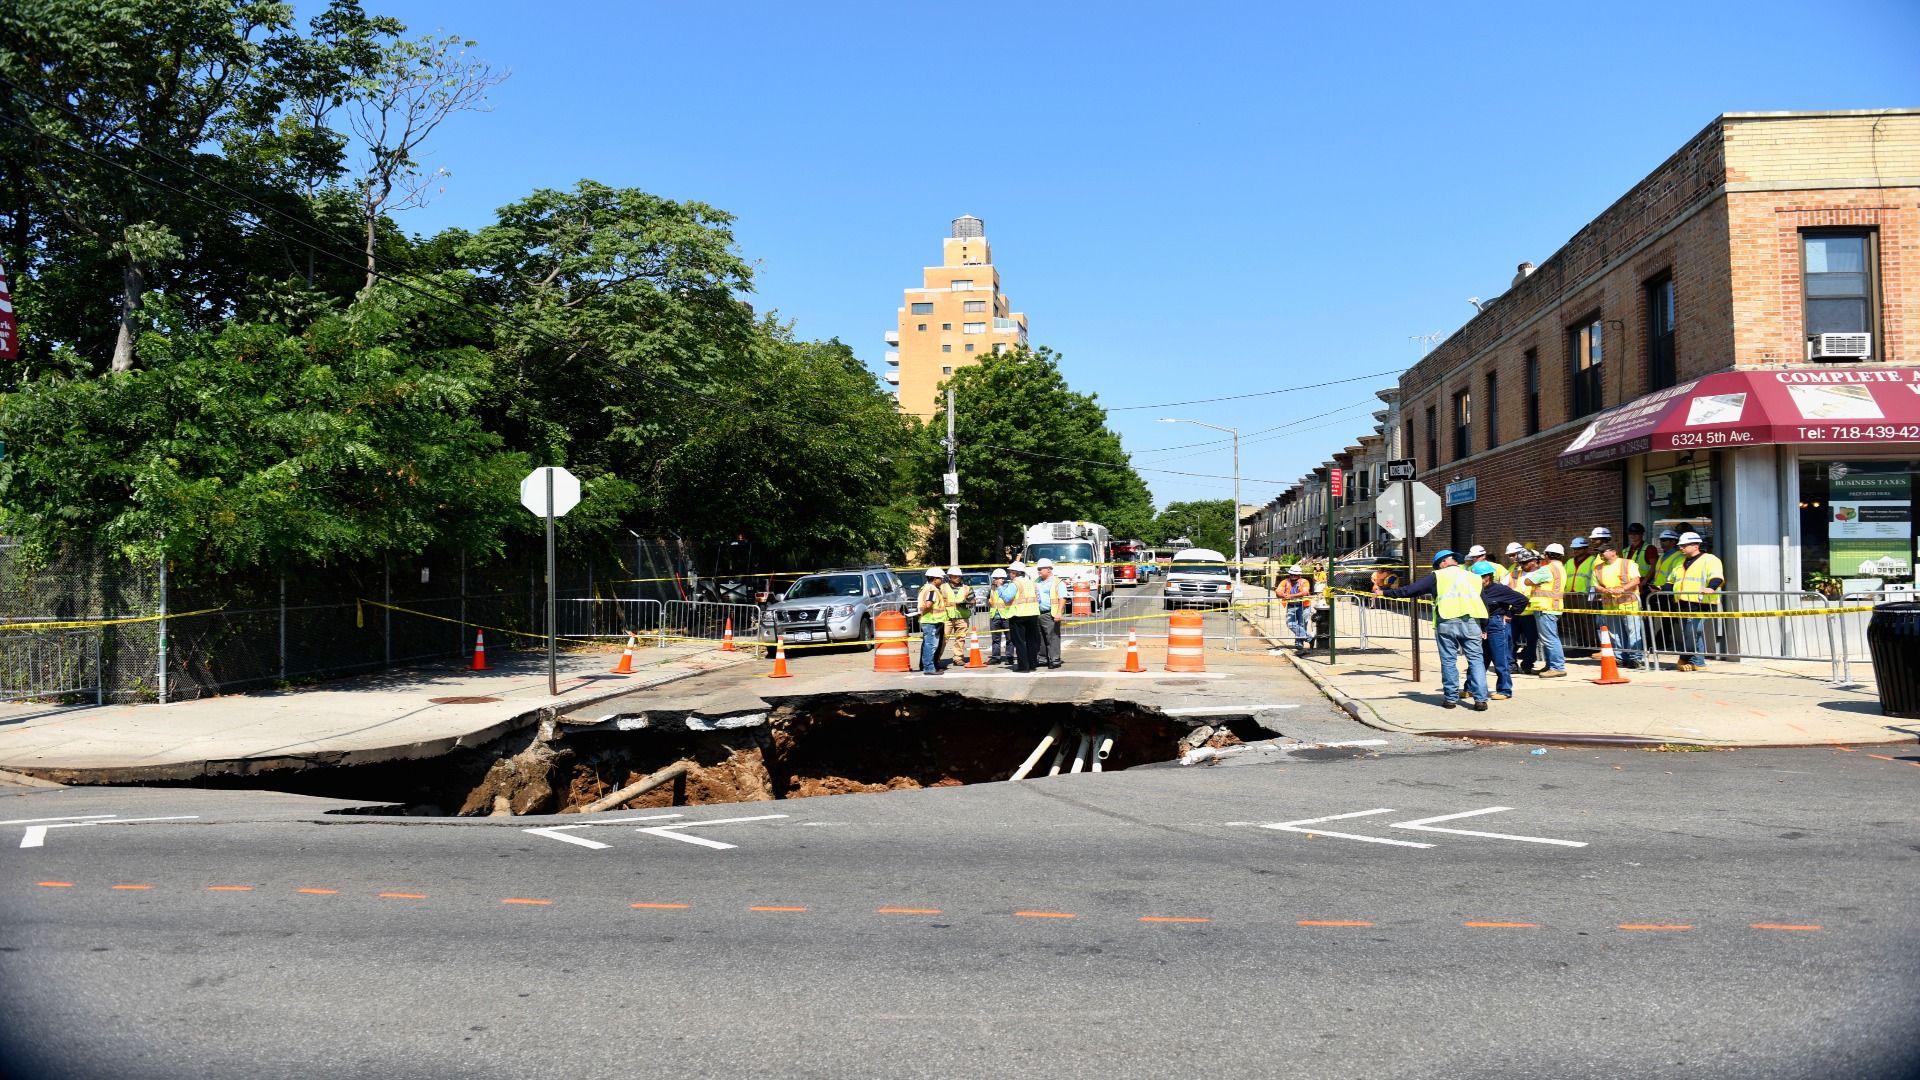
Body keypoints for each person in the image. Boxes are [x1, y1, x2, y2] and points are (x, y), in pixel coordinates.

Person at [1376, 549, 1489, 711]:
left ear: (1443, 562)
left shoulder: (1437, 576)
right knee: (1476, 661)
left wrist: (1384, 592)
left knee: (1449, 660)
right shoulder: (1474, 578)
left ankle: (1450, 699)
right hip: (1472, 622)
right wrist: (1484, 626)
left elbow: (1410, 590)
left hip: (1447, 621)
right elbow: (1484, 602)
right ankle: (1480, 700)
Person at [1471, 560, 1530, 700]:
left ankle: (1504, 689)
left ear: (1488, 576)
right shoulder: (1474, 589)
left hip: (1495, 625)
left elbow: (1522, 600)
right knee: (1478, 660)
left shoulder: (1499, 589)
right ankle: (1471, 688)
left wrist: (1510, 614)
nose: (1478, 580)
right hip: (1481, 625)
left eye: (1481, 577)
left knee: (1500, 658)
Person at [1670, 531, 1725, 671]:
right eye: (1680, 546)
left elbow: (1717, 577)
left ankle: (1688, 658)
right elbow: (1672, 581)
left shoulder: (1710, 559)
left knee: (1693, 631)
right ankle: (1697, 661)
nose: (1680, 548)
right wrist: (1659, 588)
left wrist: (1711, 588)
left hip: (1701, 602)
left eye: (1684, 545)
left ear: (1696, 545)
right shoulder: (1679, 561)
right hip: (1682, 602)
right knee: (1688, 632)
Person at [1590, 542, 1643, 667]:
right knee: (1614, 633)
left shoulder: (1627, 563)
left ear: (1613, 551)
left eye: (1603, 551)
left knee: (1633, 631)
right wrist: (1605, 590)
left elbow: (1636, 580)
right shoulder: (1598, 568)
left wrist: (1623, 589)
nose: (1601, 554)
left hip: (1629, 603)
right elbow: (1595, 585)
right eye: (1599, 552)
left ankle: (1635, 658)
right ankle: (1620, 657)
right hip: (1610, 605)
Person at [1527, 543, 1570, 677]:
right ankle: (1550, 665)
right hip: (1553, 607)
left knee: (1550, 639)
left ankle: (1557, 667)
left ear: (1547, 555)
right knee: (1548, 638)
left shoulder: (1547, 569)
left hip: (1545, 607)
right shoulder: (1560, 568)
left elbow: (1527, 581)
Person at [1005, 560, 1042, 673]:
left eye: (1010, 572)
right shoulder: (1032, 582)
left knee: (1020, 642)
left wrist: (1000, 588)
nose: (1009, 574)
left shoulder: (1015, 583)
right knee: (1031, 640)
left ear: (1015, 573)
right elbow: (1039, 599)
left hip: (1019, 615)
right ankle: (1032, 664)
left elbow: (1007, 598)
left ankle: (1023, 666)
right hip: (1033, 614)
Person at [1032, 558, 1067, 669]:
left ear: (1049, 569)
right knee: (1040, 638)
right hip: (1038, 613)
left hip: (1050, 613)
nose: (1039, 571)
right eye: (1038, 569)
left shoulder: (1057, 582)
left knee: (1052, 637)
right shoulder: (1037, 581)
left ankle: (1055, 659)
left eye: (1041, 569)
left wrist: (1059, 613)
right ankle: (1042, 659)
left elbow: (1062, 598)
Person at [916, 568, 950, 675]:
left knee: (928, 644)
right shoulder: (932, 590)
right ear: (935, 579)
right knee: (931, 645)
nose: (942, 580)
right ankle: (929, 668)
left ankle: (927, 665)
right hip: (931, 621)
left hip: (930, 620)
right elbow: (928, 604)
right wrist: (922, 612)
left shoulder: (925, 588)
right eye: (941, 578)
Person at [1277, 564, 1314, 650]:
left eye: (1295, 574)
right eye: (1291, 574)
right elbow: (1278, 591)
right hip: (1291, 606)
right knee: (1290, 624)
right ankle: (1309, 638)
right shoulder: (1285, 582)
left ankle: (1299, 644)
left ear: (1299, 575)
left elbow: (1304, 592)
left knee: (1302, 624)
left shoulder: (1304, 582)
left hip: (1303, 606)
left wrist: (1291, 596)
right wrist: (1282, 594)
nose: (1293, 576)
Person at [941, 566, 972, 667]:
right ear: (950, 577)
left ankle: (958, 658)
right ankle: (935, 659)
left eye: (959, 576)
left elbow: (973, 600)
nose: (957, 578)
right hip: (946, 617)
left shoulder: (967, 588)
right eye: (955, 576)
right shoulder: (942, 587)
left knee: (960, 638)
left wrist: (966, 602)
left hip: (962, 617)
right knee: (943, 639)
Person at [986, 568, 1012, 665]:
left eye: (996, 578)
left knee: (1010, 638)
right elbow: (989, 600)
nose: (994, 580)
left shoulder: (1009, 587)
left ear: (1002, 578)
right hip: (994, 616)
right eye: (994, 578)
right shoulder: (992, 588)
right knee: (995, 639)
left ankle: (1009, 657)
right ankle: (995, 657)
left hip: (1006, 616)